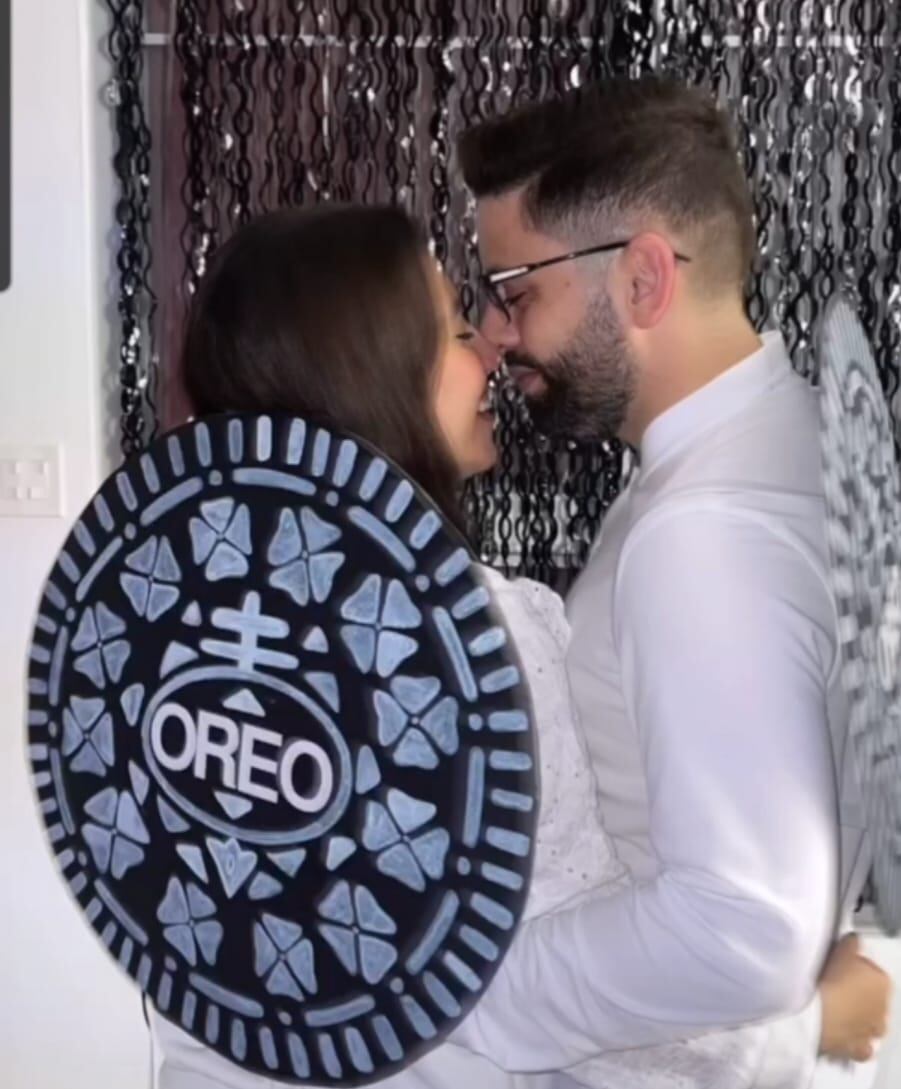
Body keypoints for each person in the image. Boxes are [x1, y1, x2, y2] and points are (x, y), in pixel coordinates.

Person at [147, 202, 886, 1089]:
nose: (491, 350)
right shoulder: (471, 644)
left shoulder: (164, 617)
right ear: (369, 375)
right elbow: (544, 984)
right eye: (458, 331)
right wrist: (807, 1025)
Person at [449, 74, 892, 1083]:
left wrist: (459, 1002)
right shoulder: (795, 438)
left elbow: (741, 927)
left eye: (516, 292)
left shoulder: (704, 531)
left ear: (643, 279)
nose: (497, 335)